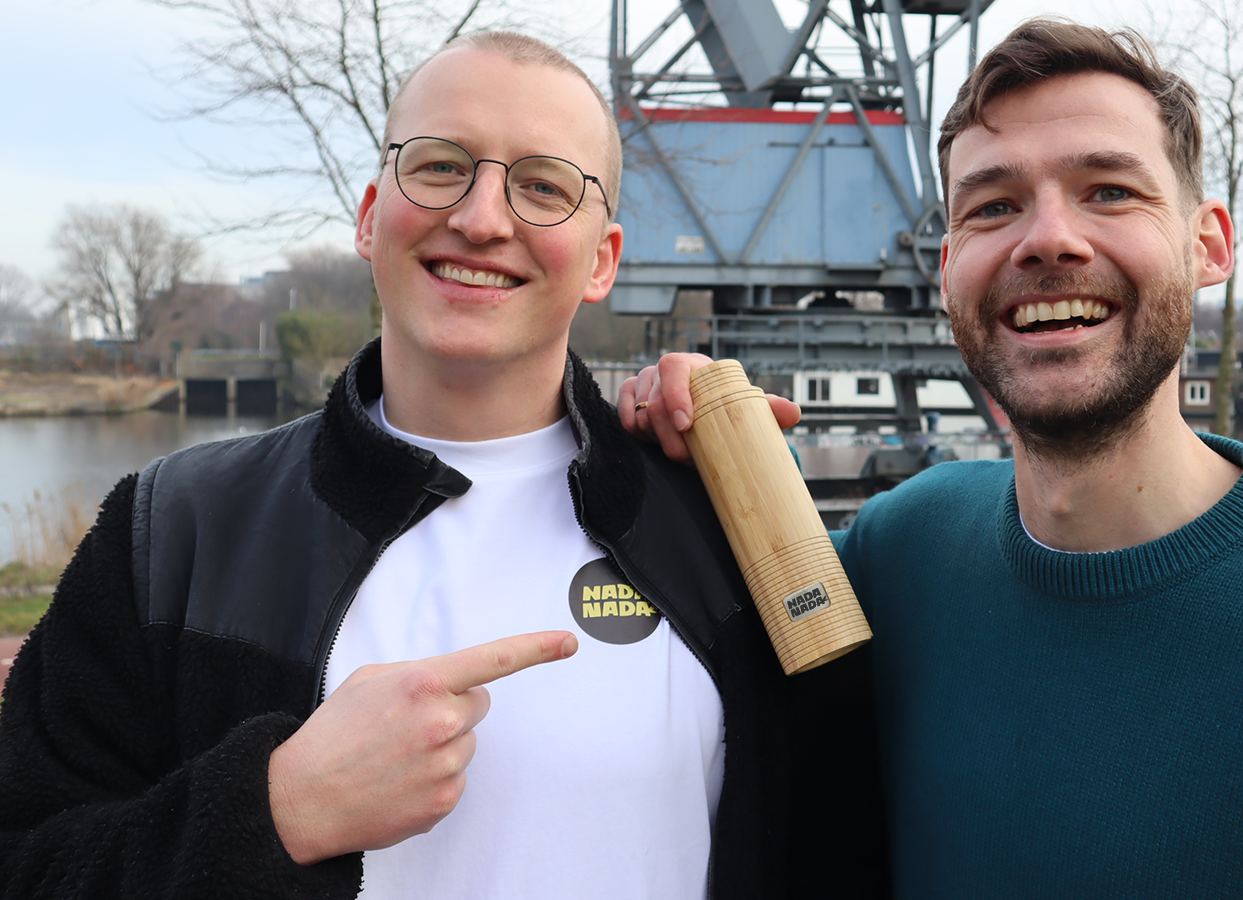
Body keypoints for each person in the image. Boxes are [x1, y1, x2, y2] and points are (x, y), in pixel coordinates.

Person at [622, 18, 1243, 899]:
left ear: (1208, 245)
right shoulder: (894, 560)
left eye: (1108, 191)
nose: (1048, 238)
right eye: (992, 207)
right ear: (944, 269)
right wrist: (640, 457)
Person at [0, 31, 883, 900]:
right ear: (369, 214)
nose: (482, 218)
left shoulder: (724, 524)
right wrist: (275, 812)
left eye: (543, 186)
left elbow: (835, 853)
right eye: (438, 166)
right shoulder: (177, 530)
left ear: (602, 261)